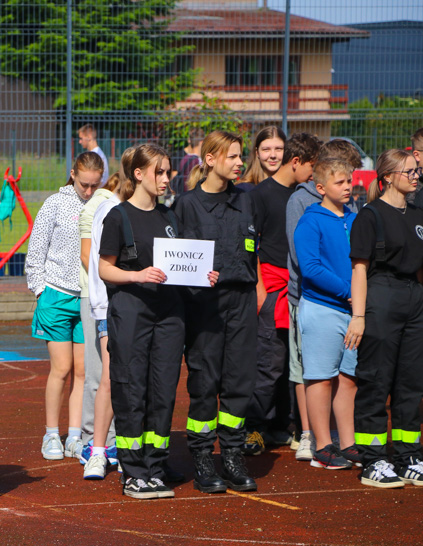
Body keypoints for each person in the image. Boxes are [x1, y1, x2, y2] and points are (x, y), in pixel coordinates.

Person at [99, 143, 211, 500]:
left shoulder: (170, 217)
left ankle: (155, 463)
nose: (165, 179)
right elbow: (103, 268)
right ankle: (133, 470)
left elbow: (180, 264)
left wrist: (201, 275)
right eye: (159, 172)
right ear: (139, 174)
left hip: (169, 314)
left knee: (162, 390)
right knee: (131, 387)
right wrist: (137, 276)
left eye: (168, 172)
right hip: (132, 311)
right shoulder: (118, 216)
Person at [175, 131, 257, 493]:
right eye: (233, 157)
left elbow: (254, 253)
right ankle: (204, 458)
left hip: (241, 302)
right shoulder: (186, 205)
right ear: (209, 159)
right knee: (204, 384)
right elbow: (177, 264)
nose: (240, 163)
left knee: (239, 384)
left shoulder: (246, 201)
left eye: (241, 157)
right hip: (204, 306)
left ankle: (233, 456)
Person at [348, 149, 423, 488]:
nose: (415, 176)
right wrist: (359, 317)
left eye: (417, 171)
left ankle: (409, 455)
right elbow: (360, 269)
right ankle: (374, 459)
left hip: (413, 298)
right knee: (376, 381)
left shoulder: (418, 214)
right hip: (381, 296)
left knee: (411, 382)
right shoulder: (371, 215)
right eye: (408, 171)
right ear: (388, 176)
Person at [244, 132, 321, 456]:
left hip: (299, 289)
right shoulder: (261, 194)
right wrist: (260, 286)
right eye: (313, 167)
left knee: (295, 363)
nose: (316, 175)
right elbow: (252, 244)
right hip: (272, 287)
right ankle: (254, 428)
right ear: (297, 162)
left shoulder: (305, 194)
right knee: (270, 360)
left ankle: (282, 425)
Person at [285, 138, 362, 461]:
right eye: (340, 182)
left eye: (349, 181)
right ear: (320, 187)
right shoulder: (311, 219)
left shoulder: (354, 217)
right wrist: (349, 291)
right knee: (320, 378)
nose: (348, 187)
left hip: (351, 310)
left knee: (348, 379)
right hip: (322, 308)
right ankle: (322, 446)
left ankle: (347, 443)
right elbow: (311, 267)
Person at [26, 152, 102, 461]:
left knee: (83, 371)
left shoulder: (101, 205)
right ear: (72, 174)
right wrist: (40, 288)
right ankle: (50, 434)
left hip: (86, 297)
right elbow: (37, 248)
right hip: (56, 295)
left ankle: (74, 435)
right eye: (84, 184)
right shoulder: (54, 204)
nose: (88, 191)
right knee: (61, 368)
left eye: (95, 185)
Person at [78, 173, 119, 479]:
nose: (89, 190)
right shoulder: (102, 208)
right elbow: (90, 258)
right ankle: (94, 442)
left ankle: (115, 441)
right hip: (99, 299)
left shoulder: (157, 211)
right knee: (98, 374)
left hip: (130, 304)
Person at [237, 126, 287, 193]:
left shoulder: (294, 190)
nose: (273, 155)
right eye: (266, 149)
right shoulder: (244, 190)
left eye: (278, 149)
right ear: (257, 153)